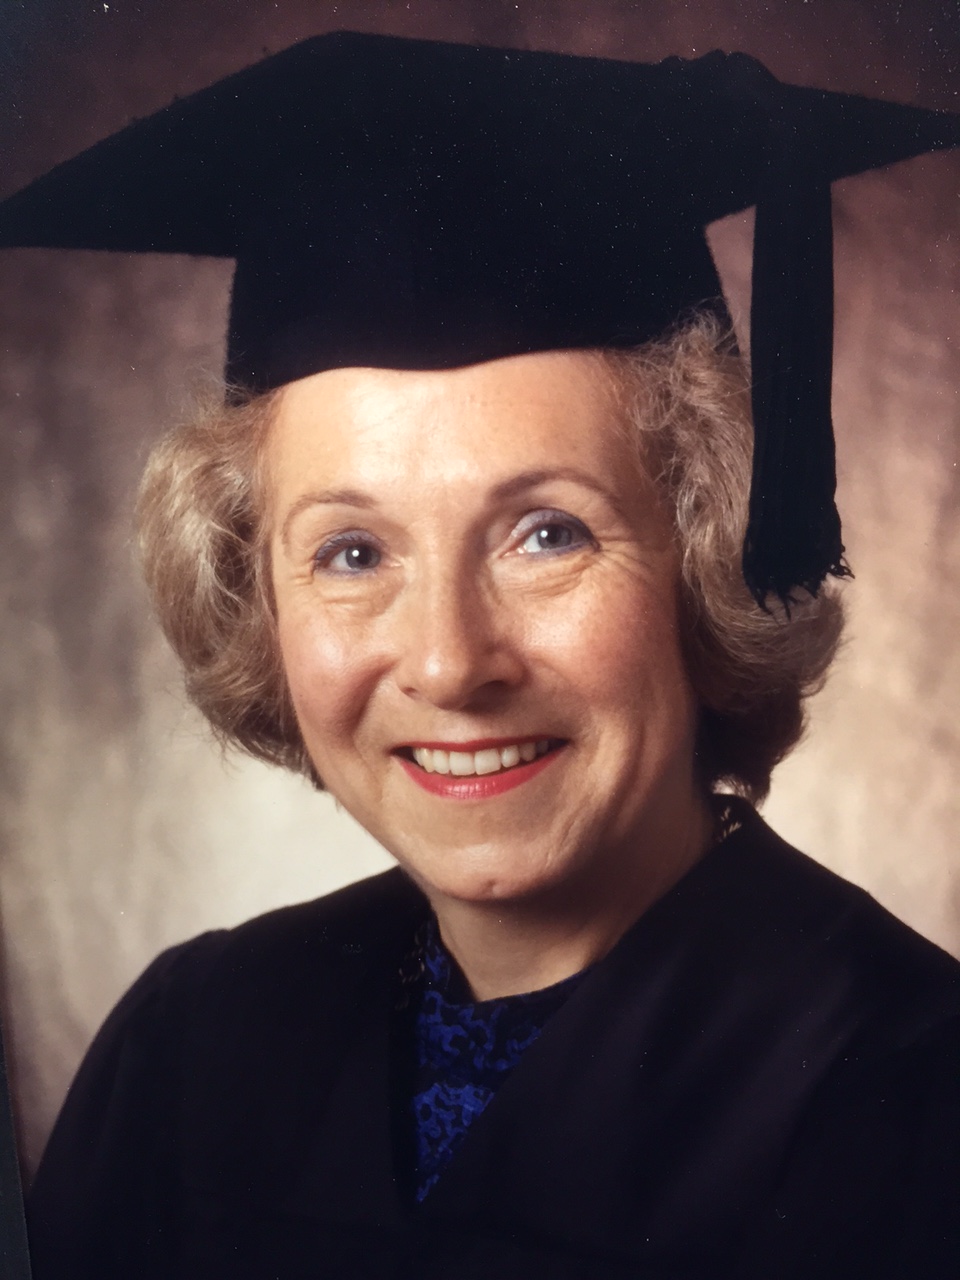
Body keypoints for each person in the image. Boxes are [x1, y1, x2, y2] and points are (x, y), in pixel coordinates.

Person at [3, 30, 959, 1280]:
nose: (450, 662)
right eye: (352, 551)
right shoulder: (189, 1050)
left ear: (710, 559)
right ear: (255, 595)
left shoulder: (914, 1099)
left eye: (548, 533)